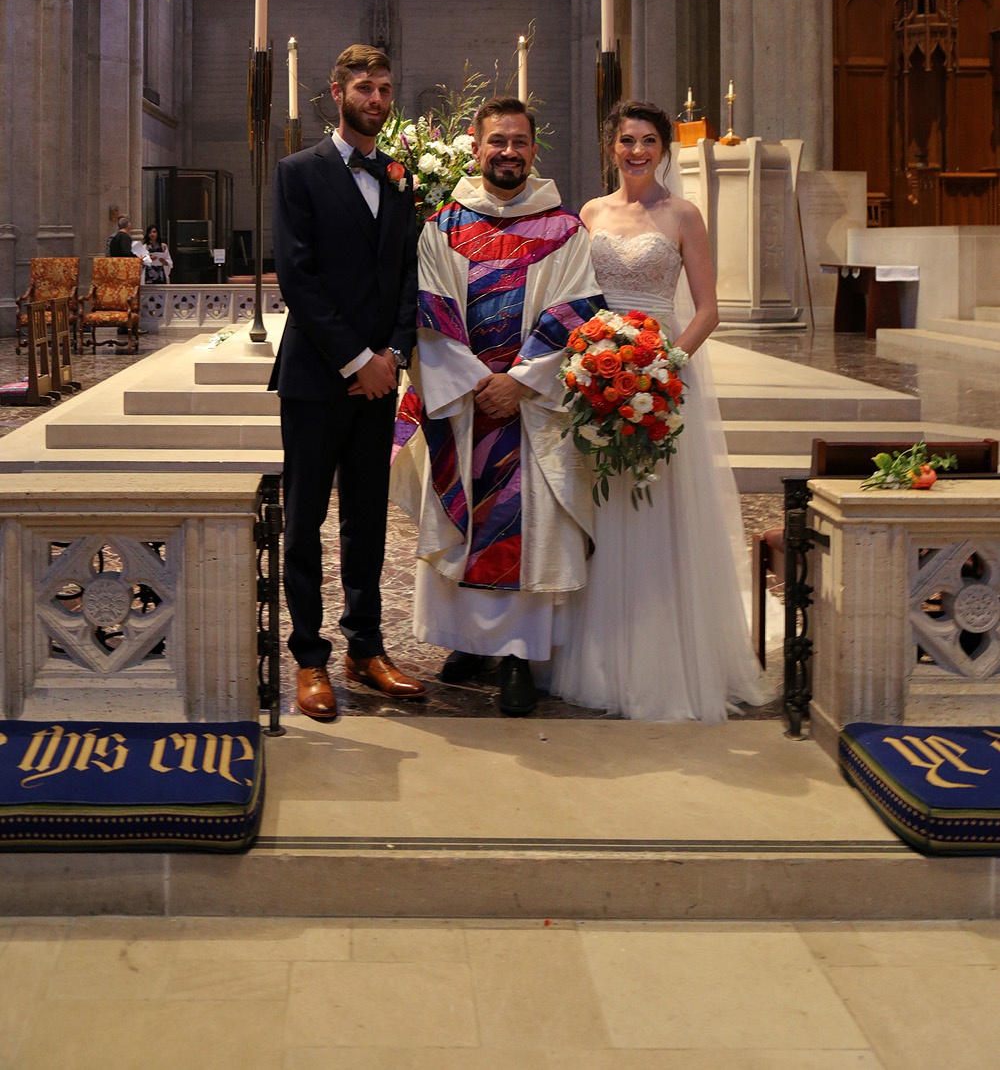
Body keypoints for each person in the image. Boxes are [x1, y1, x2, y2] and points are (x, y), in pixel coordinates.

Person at [550, 101, 771, 721]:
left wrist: (663, 363)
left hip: (661, 373)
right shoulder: (591, 213)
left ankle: (663, 651)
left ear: (665, 148)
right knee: (603, 506)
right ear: (610, 146)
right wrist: (590, 357)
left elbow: (708, 309)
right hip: (596, 372)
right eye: (627, 140)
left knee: (659, 506)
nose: (637, 151)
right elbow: (575, 296)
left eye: (649, 141)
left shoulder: (683, 214)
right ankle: (597, 650)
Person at [391, 98, 602, 716]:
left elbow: (576, 312)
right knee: (467, 519)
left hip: (532, 407)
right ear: (475, 147)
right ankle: (468, 644)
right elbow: (429, 311)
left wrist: (522, 382)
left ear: (535, 151)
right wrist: (476, 382)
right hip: (463, 403)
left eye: (519, 142)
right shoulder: (444, 226)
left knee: (526, 526)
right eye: (496, 142)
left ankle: (517, 656)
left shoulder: (564, 231)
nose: (507, 152)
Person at [270, 43, 425, 721]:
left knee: (367, 521)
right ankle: (309, 658)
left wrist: (391, 353)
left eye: (386, 89)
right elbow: (297, 276)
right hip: (316, 377)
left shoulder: (398, 176)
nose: (378, 100)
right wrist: (356, 359)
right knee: (305, 524)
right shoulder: (298, 172)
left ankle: (366, 647)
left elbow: (406, 277)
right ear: (337, 92)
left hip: (380, 378)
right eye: (365, 88)